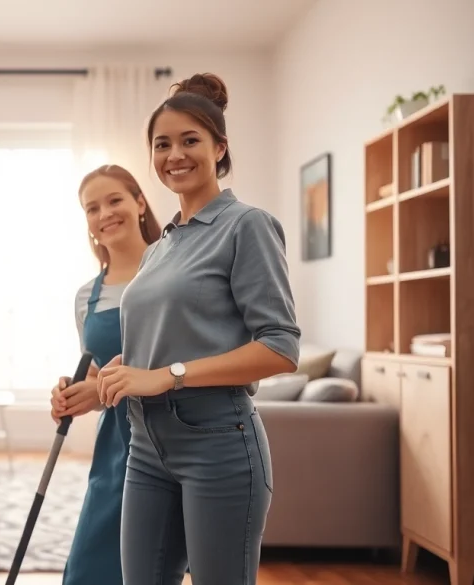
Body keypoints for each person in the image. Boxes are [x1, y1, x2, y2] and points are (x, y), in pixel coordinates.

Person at [96, 73, 301, 585]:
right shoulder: (162, 244)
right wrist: (129, 368)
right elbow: (171, 333)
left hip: (218, 443)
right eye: (162, 144)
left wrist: (168, 374)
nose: (175, 155)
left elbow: (280, 347)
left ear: (219, 147)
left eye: (190, 140)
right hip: (146, 446)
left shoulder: (246, 225)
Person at [50, 164, 162, 584]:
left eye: (114, 199)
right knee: (90, 565)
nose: (104, 214)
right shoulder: (87, 297)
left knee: (151, 565)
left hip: (171, 433)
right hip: (117, 443)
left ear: (138, 202)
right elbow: (97, 371)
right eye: (91, 208)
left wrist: (104, 389)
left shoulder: (173, 271)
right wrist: (75, 392)